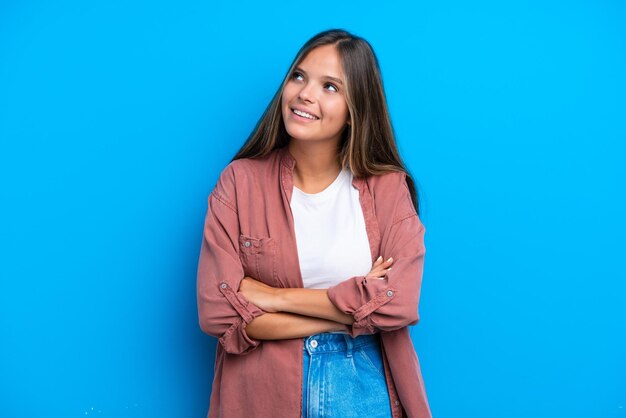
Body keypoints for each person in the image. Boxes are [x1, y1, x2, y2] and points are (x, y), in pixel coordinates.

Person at [196, 28, 432, 418]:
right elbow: (219, 314)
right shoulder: (239, 182)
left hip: (362, 386)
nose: (305, 93)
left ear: (357, 109)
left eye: (330, 87)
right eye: (299, 76)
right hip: (264, 390)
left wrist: (273, 297)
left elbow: (399, 305)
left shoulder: (388, 188)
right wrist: (357, 308)